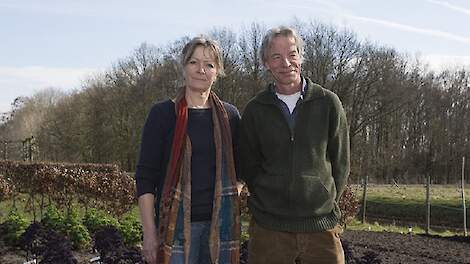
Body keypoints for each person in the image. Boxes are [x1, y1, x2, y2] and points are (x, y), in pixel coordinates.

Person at [240, 26, 350, 264]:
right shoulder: (255, 110)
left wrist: (324, 199)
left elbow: (340, 163)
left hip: (321, 226)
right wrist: (268, 196)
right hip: (269, 228)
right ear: (266, 63)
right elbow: (249, 165)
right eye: (276, 57)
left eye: (292, 54)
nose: (286, 63)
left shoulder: (328, 103)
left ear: (301, 56)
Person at [135, 36, 241, 264]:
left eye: (209, 64)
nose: (201, 70)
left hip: (219, 229)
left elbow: (241, 170)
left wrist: (226, 205)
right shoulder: (162, 115)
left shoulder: (230, 117)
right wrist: (149, 233)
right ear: (183, 66)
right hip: (176, 230)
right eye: (194, 62)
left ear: (217, 71)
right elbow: (145, 177)